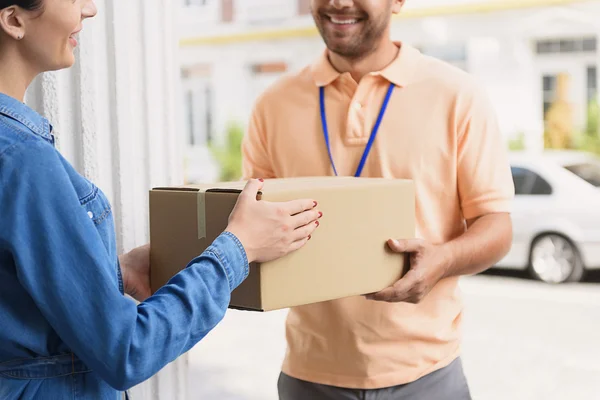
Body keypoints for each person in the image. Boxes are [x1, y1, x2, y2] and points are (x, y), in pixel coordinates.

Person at [0, 0, 322, 398]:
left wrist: (111, 277)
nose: (89, 9)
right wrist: (238, 249)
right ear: (14, 20)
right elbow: (126, 351)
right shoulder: (23, 159)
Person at [242, 0, 514, 399]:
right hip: (309, 376)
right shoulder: (273, 105)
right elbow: (249, 228)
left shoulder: (457, 95)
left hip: (429, 376)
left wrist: (443, 260)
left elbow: (498, 226)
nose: (338, 3)